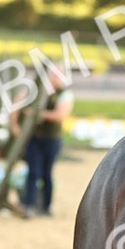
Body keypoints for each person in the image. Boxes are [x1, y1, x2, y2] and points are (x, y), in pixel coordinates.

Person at [11, 67, 74, 218]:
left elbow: (60, 114)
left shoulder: (64, 95)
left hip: (52, 139)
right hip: (34, 137)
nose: (54, 78)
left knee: (47, 173)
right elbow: (16, 104)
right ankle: (28, 205)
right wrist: (15, 125)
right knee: (33, 172)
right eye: (52, 75)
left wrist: (36, 114)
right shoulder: (37, 93)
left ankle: (45, 207)